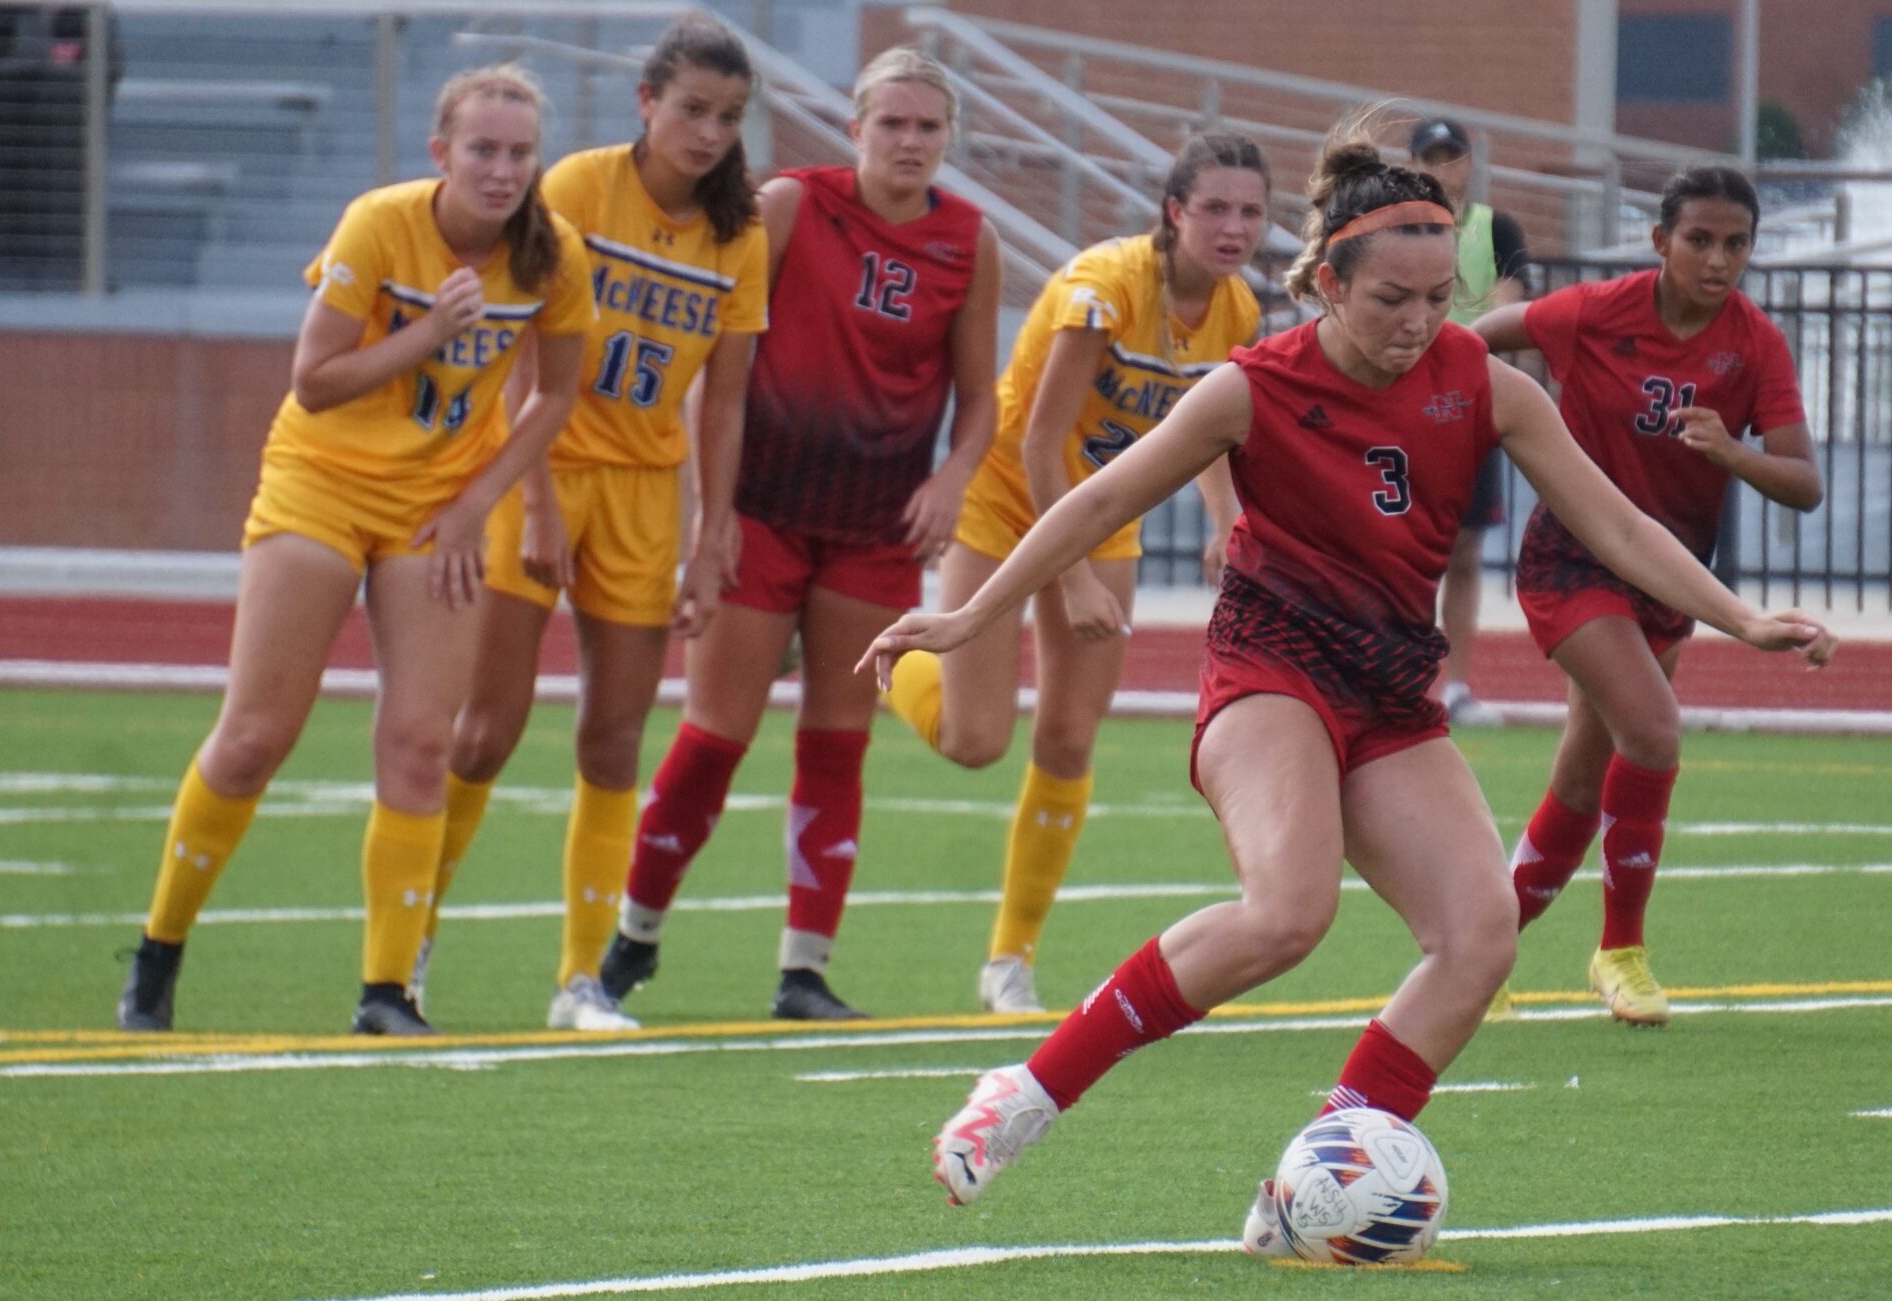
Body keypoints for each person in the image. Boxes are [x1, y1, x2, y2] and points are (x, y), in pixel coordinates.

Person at [858, 120, 1835, 1224]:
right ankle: (1028, 1091)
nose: (1419, 324)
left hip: (1390, 692)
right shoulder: (1250, 386)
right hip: (1270, 668)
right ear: (1327, 282)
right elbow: (1096, 498)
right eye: (1390, 300)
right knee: (1287, 911)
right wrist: (969, 614)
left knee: (1479, 938)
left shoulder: (1484, 382)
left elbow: (1617, 523)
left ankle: (1311, 1179)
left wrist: (1742, 618)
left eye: (1436, 298)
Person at [115, 64, 590, 1037]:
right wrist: (431, 332)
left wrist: (481, 500)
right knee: (255, 737)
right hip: (321, 486)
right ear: (441, 155)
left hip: (436, 507)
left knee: (421, 744)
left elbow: (555, 396)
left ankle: (386, 992)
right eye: (482, 151)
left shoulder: (553, 254)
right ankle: (158, 951)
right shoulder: (379, 223)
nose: (502, 171)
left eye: (519, 154)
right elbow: (314, 381)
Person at [594, 47, 1002, 1021]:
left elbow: (982, 398)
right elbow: (722, 373)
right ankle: (629, 939)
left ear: (949, 140)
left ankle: (803, 971)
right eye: (891, 124)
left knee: (836, 744)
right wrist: (715, 514)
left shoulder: (968, 240)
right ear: (855, 128)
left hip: (876, 528)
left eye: (927, 128)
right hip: (764, 515)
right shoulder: (789, 205)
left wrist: (951, 478)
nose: (909, 142)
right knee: (712, 738)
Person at [416, 16, 768, 1032]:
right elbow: (528, 350)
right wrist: (531, 499)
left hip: (646, 493)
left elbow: (729, 397)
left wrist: (712, 534)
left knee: (614, 740)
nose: (708, 133)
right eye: (692, 109)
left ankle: (581, 979)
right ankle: (411, 943)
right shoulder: (574, 187)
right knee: (485, 732)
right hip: (543, 468)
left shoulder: (736, 232)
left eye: (729, 117)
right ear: (647, 103)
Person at [880, 133, 1269, 1016]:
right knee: (975, 740)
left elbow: (1207, 423)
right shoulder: (1107, 286)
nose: (1234, 227)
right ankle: (879, 663)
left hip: (1103, 514)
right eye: (1215, 208)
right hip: (1011, 503)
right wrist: (1067, 579)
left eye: (1250, 211)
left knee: (1067, 738)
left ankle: (1010, 960)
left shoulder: (1237, 309)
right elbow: (1040, 436)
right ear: (1175, 212)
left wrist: (1224, 521)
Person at [1472, 164, 1823, 1027]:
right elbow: (1478, 337)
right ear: (1660, 241)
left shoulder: (1755, 343)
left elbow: (1804, 482)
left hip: (1669, 574)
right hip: (1573, 557)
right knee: (1655, 731)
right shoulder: (1597, 311)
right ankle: (1620, 950)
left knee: (1584, 777)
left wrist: (1731, 453)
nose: (1718, 259)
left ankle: (1477, 953)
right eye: (1699, 239)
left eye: (1736, 243)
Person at [1407, 117, 1531, 727]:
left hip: (1466, 404)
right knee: (1399, 549)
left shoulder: (1493, 229)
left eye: (1449, 157)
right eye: (1428, 158)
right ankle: (1405, 678)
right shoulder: (1395, 228)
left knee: (1463, 551)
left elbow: (1508, 309)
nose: (1440, 168)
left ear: (1468, 163)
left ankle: (1455, 684)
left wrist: (1450, 350)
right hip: (1402, 404)